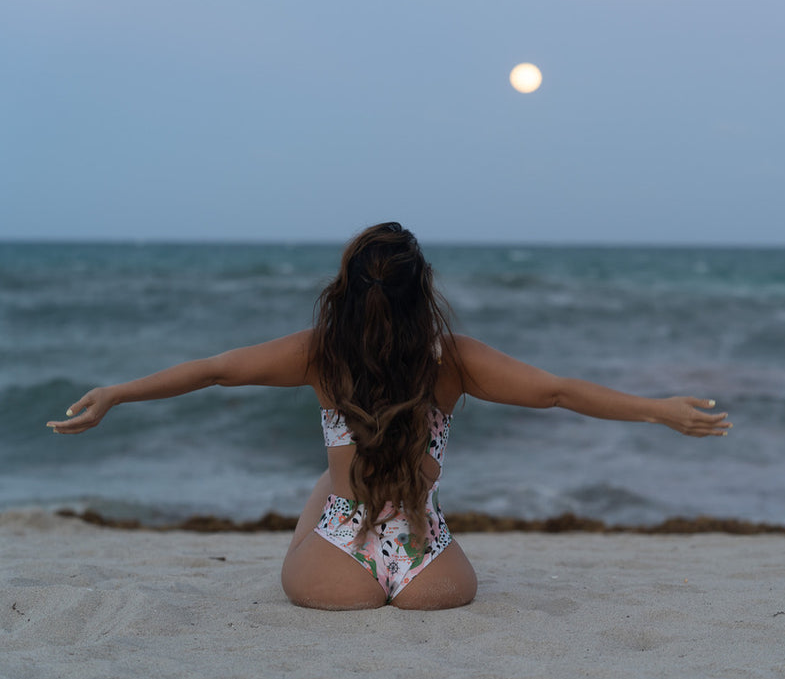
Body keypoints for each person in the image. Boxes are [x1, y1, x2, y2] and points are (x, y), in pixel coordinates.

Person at [46, 222, 732, 611]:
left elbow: (216, 369)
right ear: (421, 290)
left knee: (327, 485)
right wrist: (658, 410)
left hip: (335, 561)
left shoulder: (320, 353)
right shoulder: (453, 359)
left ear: (346, 286)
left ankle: (328, 521)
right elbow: (556, 391)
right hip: (428, 564)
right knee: (394, 502)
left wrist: (117, 392)